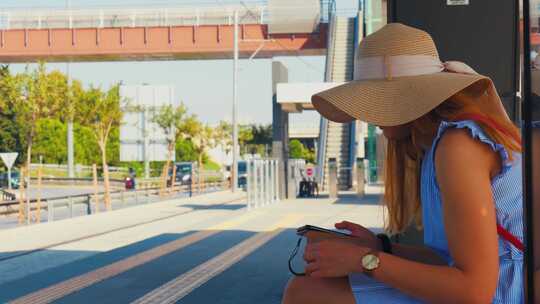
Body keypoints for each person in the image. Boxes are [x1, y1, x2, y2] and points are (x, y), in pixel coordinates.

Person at [282, 23, 523, 303]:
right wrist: (379, 247)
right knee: (309, 290)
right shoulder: (443, 144)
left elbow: (474, 290)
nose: (368, 117)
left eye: (373, 102)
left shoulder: (457, 148)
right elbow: (446, 258)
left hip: (505, 293)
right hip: (499, 284)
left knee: (308, 293)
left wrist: (366, 260)